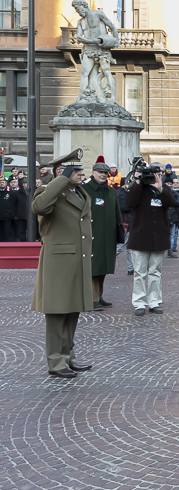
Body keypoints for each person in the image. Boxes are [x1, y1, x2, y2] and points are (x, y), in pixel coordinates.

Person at [31, 149, 93, 378]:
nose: (81, 173)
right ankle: (56, 361)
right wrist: (59, 180)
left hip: (77, 260)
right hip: (58, 263)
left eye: (80, 169)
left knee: (72, 311)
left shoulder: (79, 193)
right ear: (61, 172)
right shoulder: (49, 192)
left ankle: (68, 357)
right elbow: (39, 207)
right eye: (75, 170)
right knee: (57, 313)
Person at [126, 162, 178, 316]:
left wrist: (161, 188)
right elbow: (129, 202)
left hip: (158, 237)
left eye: (161, 172)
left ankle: (154, 301)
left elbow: (172, 203)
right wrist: (138, 181)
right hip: (140, 236)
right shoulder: (139, 187)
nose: (158, 175)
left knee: (155, 272)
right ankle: (139, 303)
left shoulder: (165, 189)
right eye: (156, 172)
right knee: (140, 272)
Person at [81, 157, 123, 310]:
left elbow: (117, 213)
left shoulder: (111, 191)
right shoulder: (85, 190)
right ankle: (92, 299)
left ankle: (99, 296)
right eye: (100, 172)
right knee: (93, 267)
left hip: (108, 235)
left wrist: (119, 233)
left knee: (103, 267)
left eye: (105, 172)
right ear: (93, 172)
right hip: (92, 234)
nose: (103, 175)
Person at [116, 178, 134, 276]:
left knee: (129, 248)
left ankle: (131, 268)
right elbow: (123, 207)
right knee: (121, 246)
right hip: (125, 223)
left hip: (128, 222)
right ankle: (106, 259)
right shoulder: (121, 193)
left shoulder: (123, 193)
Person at [164, 178, 179, 258]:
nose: (169, 185)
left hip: (172, 216)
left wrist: (173, 201)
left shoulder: (175, 193)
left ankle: (170, 250)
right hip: (162, 217)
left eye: (170, 183)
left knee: (172, 234)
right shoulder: (160, 193)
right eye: (167, 183)